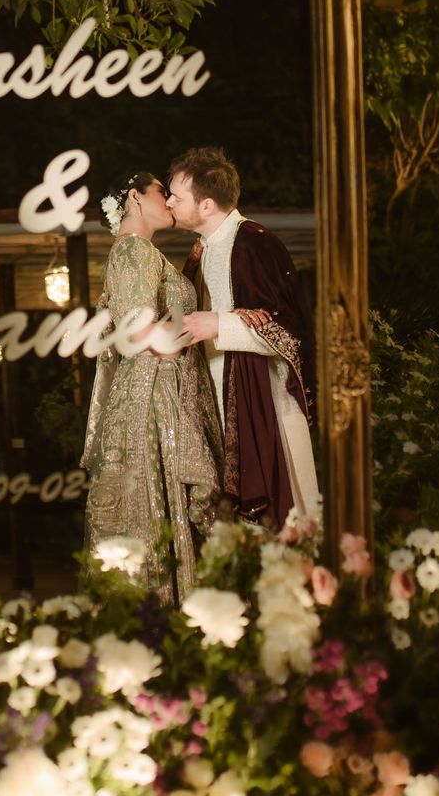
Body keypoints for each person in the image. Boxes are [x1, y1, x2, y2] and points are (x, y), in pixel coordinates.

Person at [82, 171, 222, 602]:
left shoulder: (144, 253)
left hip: (156, 389)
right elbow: (140, 334)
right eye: (162, 191)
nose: (170, 200)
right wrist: (206, 326)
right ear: (135, 198)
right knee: (157, 503)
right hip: (153, 396)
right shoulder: (133, 250)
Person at [166, 146, 319, 528]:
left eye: (176, 197)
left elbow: (292, 330)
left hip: (264, 406)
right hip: (217, 402)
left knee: (280, 526)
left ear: (206, 205)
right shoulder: (204, 248)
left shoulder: (254, 242)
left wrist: (220, 325)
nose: (168, 203)